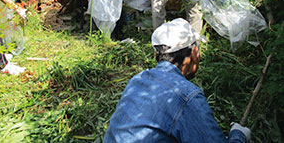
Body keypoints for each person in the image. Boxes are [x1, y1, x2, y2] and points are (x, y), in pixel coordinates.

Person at [104, 18, 251, 143]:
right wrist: (238, 135)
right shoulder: (187, 95)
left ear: (157, 54)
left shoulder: (138, 79)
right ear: (194, 53)